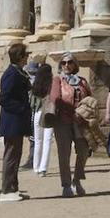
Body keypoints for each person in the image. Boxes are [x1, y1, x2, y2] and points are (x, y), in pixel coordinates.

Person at [51, 53, 92, 197]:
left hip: (80, 121)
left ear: (75, 64)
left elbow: (89, 99)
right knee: (64, 154)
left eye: (69, 62)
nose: (66, 65)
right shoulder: (57, 80)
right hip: (62, 121)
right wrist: (70, 110)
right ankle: (66, 184)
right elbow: (55, 99)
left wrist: (86, 113)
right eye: (63, 63)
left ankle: (77, 180)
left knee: (83, 150)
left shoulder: (82, 82)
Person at [0, 43, 32, 202]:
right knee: (11, 156)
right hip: (12, 121)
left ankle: (13, 188)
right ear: (20, 56)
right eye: (26, 54)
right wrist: (22, 108)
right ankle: (6, 190)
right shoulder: (11, 74)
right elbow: (3, 98)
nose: (28, 57)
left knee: (16, 155)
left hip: (17, 121)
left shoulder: (19, 72)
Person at [30, 61, 55, 176]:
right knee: (47, 140)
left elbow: (32, 102)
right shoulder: (52, 84)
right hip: (48, 112)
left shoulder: (36, 85)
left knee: (38, 140)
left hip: (38, 112)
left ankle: (36, 166)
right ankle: (43, 168)